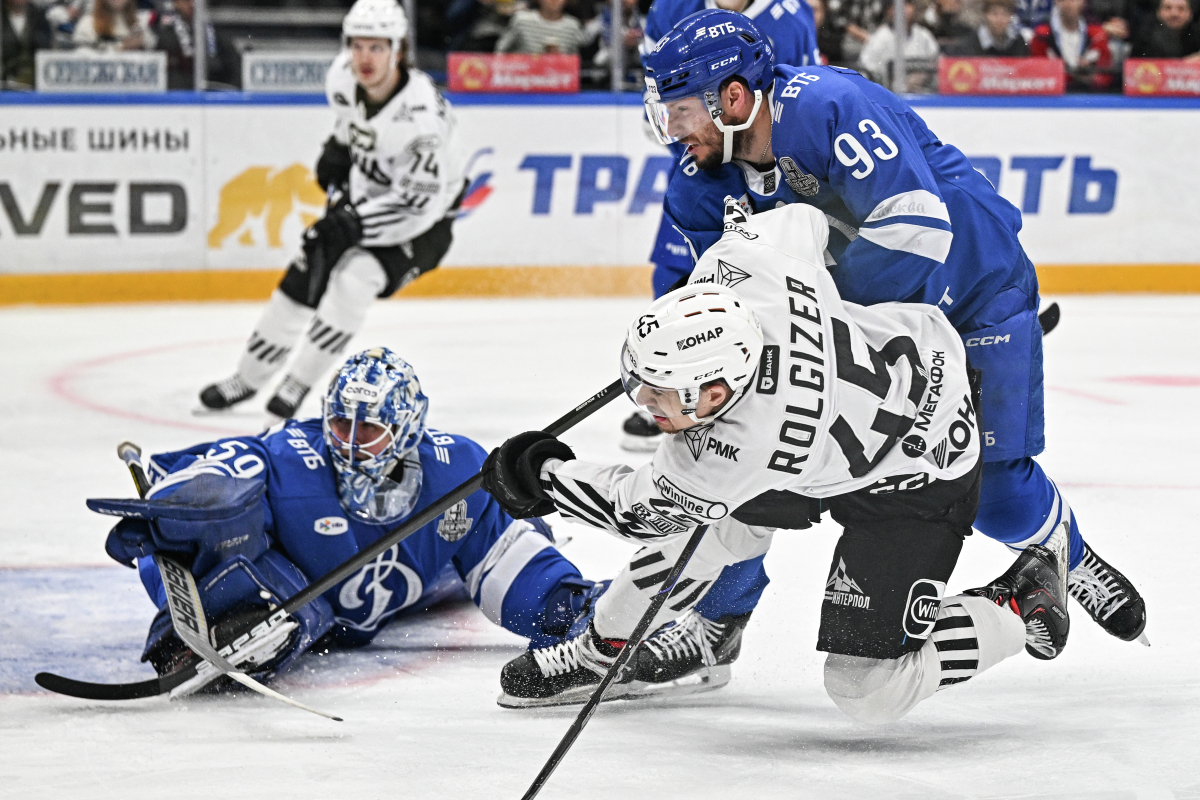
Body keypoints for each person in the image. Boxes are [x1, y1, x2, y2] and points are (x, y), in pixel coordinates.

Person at [626, 8, 1145, 673]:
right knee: (762, 459)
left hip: (974, 284)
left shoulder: (828, 106)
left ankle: (1067, 553)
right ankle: (716, 618)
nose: (672, 130)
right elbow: (726, 301)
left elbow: (917, 231)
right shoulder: (701, 183)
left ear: (732, 97)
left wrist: (813, 317)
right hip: (880, 324)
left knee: (995, 487)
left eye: (681, 111)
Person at [481, 204, 1073, 721]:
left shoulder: (740, 444)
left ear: (715, 395)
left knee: (867, 689)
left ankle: (1017, 603)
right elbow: (813, 216)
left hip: (918, 474)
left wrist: (543, 476)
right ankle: (608, 650)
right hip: (906, 368)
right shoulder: (750, 262)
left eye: (659, 393)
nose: (643, 403)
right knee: (715, 525)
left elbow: (634, 510)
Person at [94, 348, 601, 695]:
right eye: (340, 424)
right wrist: (178, 525)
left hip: (432, 577)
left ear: (406, 429)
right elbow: (223, 469)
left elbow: (500, 553)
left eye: (369, 429)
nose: (351, 444)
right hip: (321, 592)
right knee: (272, 596)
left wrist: (569, 611)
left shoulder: (456, 472)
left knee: (529, 565)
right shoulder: (289, 457)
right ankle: (258, 614)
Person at [198, 0, 466, 420]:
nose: (364, 58)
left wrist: (354, 224)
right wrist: (338, 149)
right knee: (305, 269)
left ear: (398, 50)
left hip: (424, 223)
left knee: (354, 282)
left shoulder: (420, 123)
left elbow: (418, 204)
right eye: (357, 45)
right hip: (367, 197)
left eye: (377, 47)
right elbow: (350, 122)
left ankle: (297, 381)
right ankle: (247, 378)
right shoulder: (342, 76)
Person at [627, 0, 820, 452]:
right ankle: (673, 383)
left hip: (768, 166)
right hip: (703, 162)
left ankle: (756, 390)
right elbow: (659, 99)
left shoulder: (792, 17)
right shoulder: (671, 9)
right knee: (677, 275)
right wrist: (704, 153)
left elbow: (793, 105)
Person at [1029, 0, 1116, 91]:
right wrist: (1071, 76)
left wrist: (1092, 77)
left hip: (1089, 94)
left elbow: (1106, 76)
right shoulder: (1042, 36)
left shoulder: (1097, 36)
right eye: (1063, 0)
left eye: (1074, 0)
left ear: (1083, 2)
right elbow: (1037, 75)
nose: (1069, 4)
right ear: (1056, 2)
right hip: (1053, 95)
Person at [155, 0, 239, 89]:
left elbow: (232, 63)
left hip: (214, 89)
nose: (192, 4)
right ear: (176, 3)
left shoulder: (217, 30)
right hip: (182, 92)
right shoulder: (166, 32)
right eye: (187, 1)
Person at [857, 0, 941, 88]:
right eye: (899, 6)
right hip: (889, 93)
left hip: (923, 93)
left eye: (907, 5)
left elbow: (937, 64)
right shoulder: (879, 38)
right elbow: (866, 72)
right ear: (889, 11)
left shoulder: (923, 35)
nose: (905, 10)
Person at [496, 0, 588, 54]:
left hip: (557, 77)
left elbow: (573, 61)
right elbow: (500, 51)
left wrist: (558, 59)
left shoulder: (572, 26)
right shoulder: (521, 20)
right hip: (522, 77)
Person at [1, 0, 52, 88]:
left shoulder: (38, 15)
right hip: (5, 76)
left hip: (33, 78)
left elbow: (45, 45)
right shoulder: (2, 15)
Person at [72, 0, 156, 50]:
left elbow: (152, 49)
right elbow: (83, 57)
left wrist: (142, 44)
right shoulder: (87, 23)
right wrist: (122, 48)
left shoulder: (139, 23)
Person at [957, 0, 1030, 56]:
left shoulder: (1018, 41)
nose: (999, 19)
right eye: (995, 14)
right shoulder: (970, 43)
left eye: (1005, 14)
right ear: (985, 15)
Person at [1131, 0, 1200, 57]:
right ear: (1158, 12)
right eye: (1168, 8)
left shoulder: (1196, 33)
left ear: (1191, 14)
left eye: (1181, 9)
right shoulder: (1145, 35)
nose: (1174, 14)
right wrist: (1183, 63)